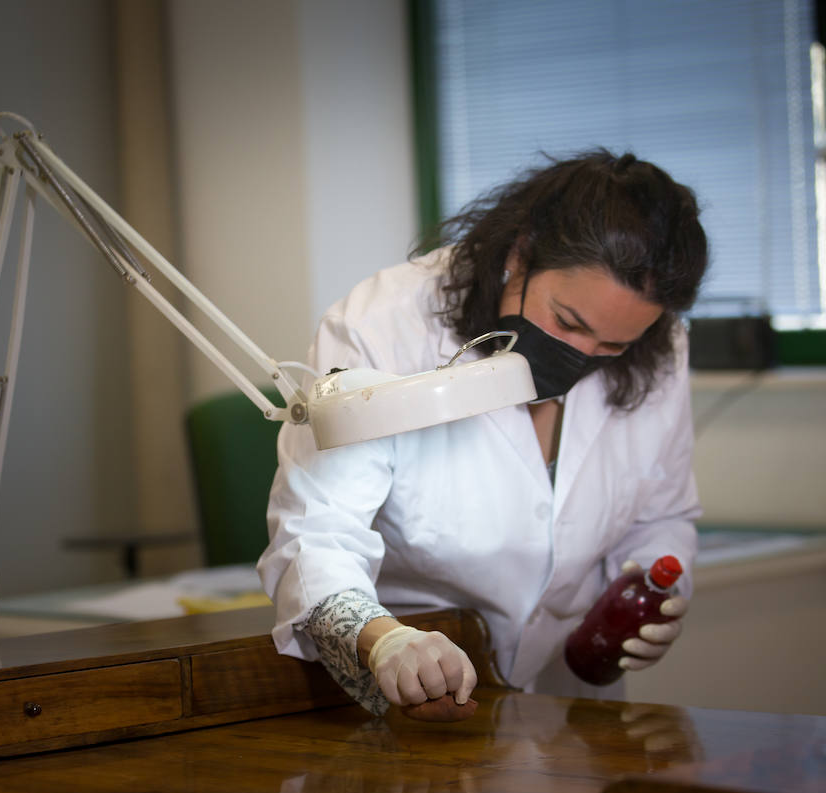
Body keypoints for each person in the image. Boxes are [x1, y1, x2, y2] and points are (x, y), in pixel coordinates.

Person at [257, 150, 708, 715]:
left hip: (568, 695)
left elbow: (662, 517)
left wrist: (657, 590)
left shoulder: (659, 347)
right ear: (520, 254)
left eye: (613, 347)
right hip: (415, 685)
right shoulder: (383, 327)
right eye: (568, 322)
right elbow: (314, 536)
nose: (583, 357)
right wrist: (385, 641)